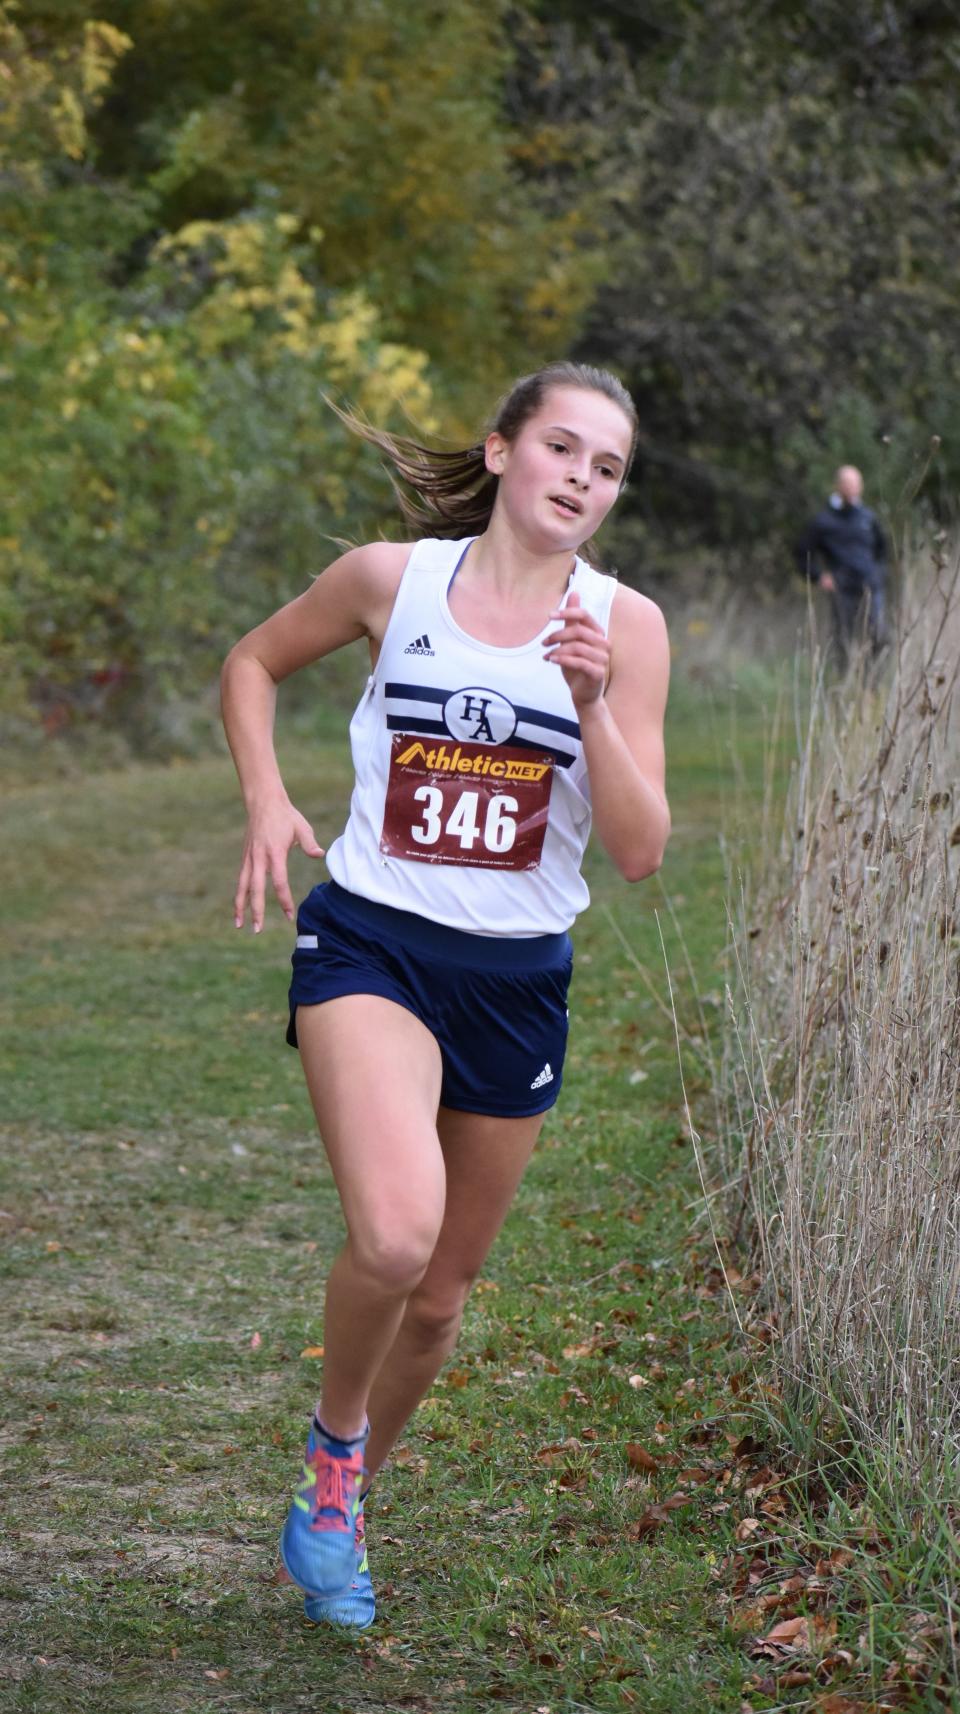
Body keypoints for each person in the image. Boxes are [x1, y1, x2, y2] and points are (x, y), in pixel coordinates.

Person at [220, 360, 671, 1631]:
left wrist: (590, 705)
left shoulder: (624, 627)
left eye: (608, 466)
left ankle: (340, 1488)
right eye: (563, 448)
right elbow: (251, 665)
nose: (582, 477)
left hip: (517, 980)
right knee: (396, 1232)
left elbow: (638, 848)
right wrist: (266, 794)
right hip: (374, 945)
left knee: (438, 1302)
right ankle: (334, 1462)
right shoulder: (392, 580)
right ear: (500, 452)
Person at [796, 465, 890, 667]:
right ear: (838, 486)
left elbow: (882, 549)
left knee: (879, 636)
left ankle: (871, 686)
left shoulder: (868, 517)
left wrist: (879, 573)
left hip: (871, 586)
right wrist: (819, 576)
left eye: (856, 483)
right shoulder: (823, 521)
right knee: (845, 640)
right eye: (847, 483)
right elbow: (801, 554)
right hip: (842, 589)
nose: (852, 488)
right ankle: (846, 685)